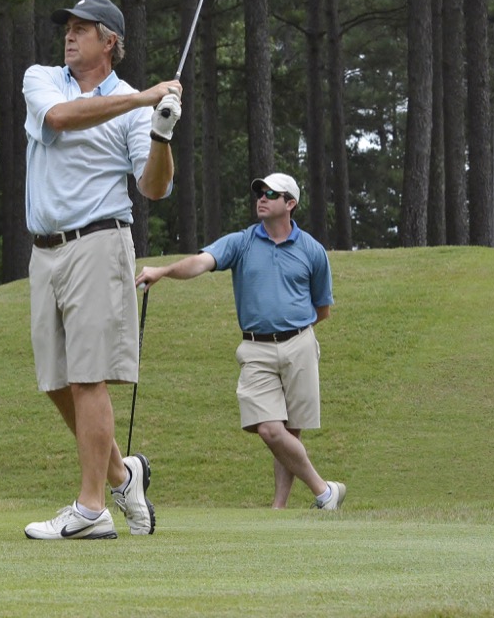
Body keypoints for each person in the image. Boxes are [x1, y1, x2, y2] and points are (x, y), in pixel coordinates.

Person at [22, 0, 183, 540]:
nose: (69, 36)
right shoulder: (43, 79)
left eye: (82, 29)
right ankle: (122, 474)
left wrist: (160, 134)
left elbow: (153, 187)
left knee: (87, 376)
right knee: (55, 381)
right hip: (44, 249)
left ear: (109, 41)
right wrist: (143, 98)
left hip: (98, 240)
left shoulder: (137, 108)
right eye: (67, 28)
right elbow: (59, 119)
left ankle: (91, 509)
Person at [134, 173, 346, 510]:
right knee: (270, 429)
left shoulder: (312, 250)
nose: (261, 197)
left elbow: (322, 309)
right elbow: (200, 263)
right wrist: (163, 271)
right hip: (255, 348)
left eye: (271, 194)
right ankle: (324, 491)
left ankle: (278, 509)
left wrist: (292, 330)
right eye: (260, 192)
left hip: (300, 344)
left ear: (290, 203)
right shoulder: (241, 242)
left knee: (290, 432)